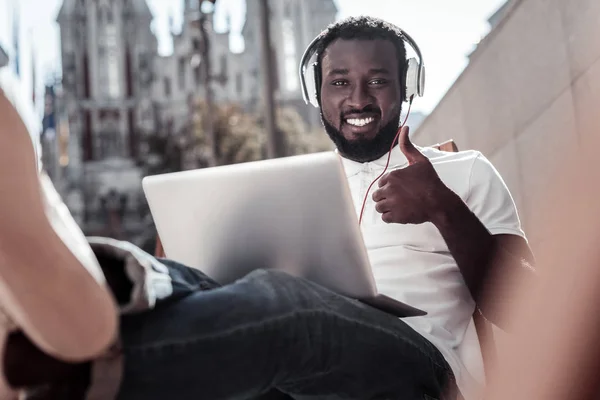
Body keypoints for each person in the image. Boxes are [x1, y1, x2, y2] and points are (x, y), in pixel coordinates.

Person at [0, 16, 535, 400]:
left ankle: (64, 370)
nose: (359, 98)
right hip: (300, 371)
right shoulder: (293, 186)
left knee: (287, 302)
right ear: (315, 92)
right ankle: (77, 299)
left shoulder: (461, 172)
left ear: (407, 88)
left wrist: (443, 207)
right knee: (201, 279)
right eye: (339, 82)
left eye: (379, 80)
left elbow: (527, 310)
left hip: (422, 376)